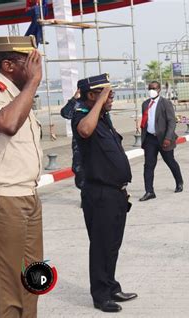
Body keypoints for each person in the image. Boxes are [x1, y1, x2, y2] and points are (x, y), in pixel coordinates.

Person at [72, 74, 137, 312]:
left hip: (116, 193)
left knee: (112, 245)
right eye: (108, 94)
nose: (112, 98)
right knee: (100, 246)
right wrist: (100, 101)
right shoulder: (82, 116)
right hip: (99, 193)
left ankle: (111, 287)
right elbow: (85, 131)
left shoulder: (103, 118)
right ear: (92, 96)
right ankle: (100, 295)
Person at [0, 36, 44, 317]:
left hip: (28, 195)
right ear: (8, 65)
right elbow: (8, 124)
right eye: (30, 61)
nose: (37, 66)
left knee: (32, 277)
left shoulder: (17, 93)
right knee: (8, 284)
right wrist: (34, 82)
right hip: (6, 199)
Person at [139, 81, 183, 202]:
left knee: (170, 161)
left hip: (164, 139)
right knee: (148, 165)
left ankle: (179, 182)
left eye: (153, 88)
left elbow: (171, 122)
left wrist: (168, 138)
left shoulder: (166, 103)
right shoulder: (145, 104)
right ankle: (149, 191)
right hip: (150, 139)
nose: (151, 90)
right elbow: (145, 120)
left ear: (159, 90)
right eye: (149, 88)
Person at [60, 89, 86, 189]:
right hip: (80, 148)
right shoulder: (78, 104)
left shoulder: (98, 105)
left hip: (96, 146)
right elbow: (65, 113)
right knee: (80, 173)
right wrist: (74, 99)